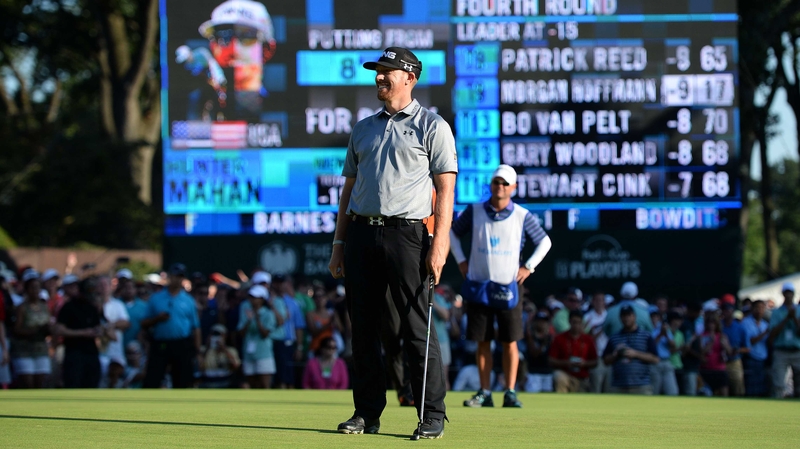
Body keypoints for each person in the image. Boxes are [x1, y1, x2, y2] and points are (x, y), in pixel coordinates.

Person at [328, 47, 457, 439]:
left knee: (418, 329)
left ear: (410, 78)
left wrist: (440, 242)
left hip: (409, 235)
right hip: (362, 234)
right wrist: (338, 243)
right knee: (364, 331)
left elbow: (446, 189)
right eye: (378, 71)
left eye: (388, 71)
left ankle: (431, 414)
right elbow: (348, 190)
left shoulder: (432, 126)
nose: (380, 77)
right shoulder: (363, 128)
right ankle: (366, 413)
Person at [450, 164, 552, 408]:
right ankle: (484, 391)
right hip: (479, 283)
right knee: (482, 340)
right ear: (491, 184)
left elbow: (544, 242)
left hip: (509, 285)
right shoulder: (474, 211)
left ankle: (510, 391)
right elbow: (452, 234)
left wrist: (528, 266)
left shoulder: (522, 215)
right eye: (497, 182)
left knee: (510, 340)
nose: (501, 187)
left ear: (513, 187)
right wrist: (461, 261)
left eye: (506, 183)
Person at [141, 263, 201, 389]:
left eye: (180, 277)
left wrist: (197, 350)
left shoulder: (188, 300)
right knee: (153, 379)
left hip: (181, 344)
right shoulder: (156, 298)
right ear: (169, 276)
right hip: (161, 344)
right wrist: (157, 319)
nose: (177, 280)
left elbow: (196, 327)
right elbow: (144, 322)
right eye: (175, 276)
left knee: (183, 381)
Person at [55, 277, 104, 388]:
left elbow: (98, 326)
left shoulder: (92, 308)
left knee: (92, 383)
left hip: (91, 352)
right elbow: (59, 330)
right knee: (74, 383)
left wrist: (98, 331)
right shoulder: (68, 307)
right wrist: (82, 333)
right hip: (74, 352)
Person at [602, 305, 659, 394]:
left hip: (641, 385)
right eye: (624, 316)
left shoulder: (646, 336)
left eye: (629, 315)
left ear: (634, 317)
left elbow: (655, 359)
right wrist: (615, 355)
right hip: (619, 385)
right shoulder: (614, 337)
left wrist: (636, 354)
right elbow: (605, 360)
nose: (626, 318)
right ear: (620, 318)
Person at [12, 269, 53, 388]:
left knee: (40, 381)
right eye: (32, 288)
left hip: (40, 348)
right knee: (27, 382)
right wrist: (33, 331)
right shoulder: (22, 308)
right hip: (24, 349)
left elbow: (49, 323)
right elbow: (17, 329)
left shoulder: (44, 306)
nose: (35, 291)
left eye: (37, 287)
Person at [548, 311, 598, 393]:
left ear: (582, 323)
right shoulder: (560, 338)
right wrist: (566, 363)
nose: (576, 325)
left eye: (579, 323)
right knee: (559, 376)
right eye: (574, 322)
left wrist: (584, 363)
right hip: (565, 373)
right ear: (569, 322)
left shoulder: (588, 340)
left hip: (582, 376)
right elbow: (551, 360)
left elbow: (595, 361)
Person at [238, 285, 276, 389]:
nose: (252, 300)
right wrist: (249, 320)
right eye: (251, 297)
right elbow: (241, 333)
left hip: (264, 354)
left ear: (262, 299)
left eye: (255, 297)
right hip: (248, 353)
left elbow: (265, 334)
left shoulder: (268, 314)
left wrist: (257, 318)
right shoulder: (245, 312)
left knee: (264, 385)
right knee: (251, 384)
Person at [768, 282, 800, 398]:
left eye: (790, 293)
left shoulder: (799, 310)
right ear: (783, 294)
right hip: (781, 350)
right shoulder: (777, 312)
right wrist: (787, 318)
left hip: (797, 350)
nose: (788, 295)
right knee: (778, 384)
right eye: (786, 293)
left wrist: (794, 318)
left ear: (793, 294)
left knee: (799, 384)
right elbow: (773, 332)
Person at [98, 276, 130, 388]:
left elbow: (125, 322)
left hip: (115, 352)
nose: (103, 288)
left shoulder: (118, 305)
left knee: (114, 374)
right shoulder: (93, 305)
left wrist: (110, 326)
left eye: (105, 285)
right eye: (101, 285)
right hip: (98, 353)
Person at [741, 300, 769, 396]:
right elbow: (750, 341)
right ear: (752, 309)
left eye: (762, 308)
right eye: (757, 308)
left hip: (762, 359)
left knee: (761, 388)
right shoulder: (745, 323)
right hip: (751, 358)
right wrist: (765, 333)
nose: (759, 310)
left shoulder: (765, 324)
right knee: (751, 387)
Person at [699, 314, 731, 396]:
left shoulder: (722, 336)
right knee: (707, 393)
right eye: (709, 323)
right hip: (706, 369)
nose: (711, 325)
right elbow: (701, 352)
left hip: (720, 369)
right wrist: (711, 342)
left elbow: (729, 352)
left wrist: (724, 345)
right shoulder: (702, 336)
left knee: (724, 393)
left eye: (713, 323)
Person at [583, 291, 609, 393]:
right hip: (596, 357)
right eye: (597, 300)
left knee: (608, 389)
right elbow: (586, 339)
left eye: (602, 300)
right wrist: (601, 329)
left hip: (608, 357)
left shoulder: (609, 315)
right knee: (596, 389)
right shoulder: (587, 317)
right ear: (593, 302)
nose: (599, 302)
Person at [200, 323, 240, 388]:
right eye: (214, 335)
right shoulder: (204, 350)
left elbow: (236, 367)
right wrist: (208, 347)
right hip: (208, 381)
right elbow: (200, 368)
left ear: (225, 336)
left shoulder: (231, 350)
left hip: (226, 380)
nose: (217, 337)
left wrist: (225, 350)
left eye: (219, 335)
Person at [649, 308, 678, 396]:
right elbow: (651, 346)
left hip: (666, 361)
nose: (654, 319)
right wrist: (661, 334)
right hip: (654, 362)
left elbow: (673, 345)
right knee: (654, 391)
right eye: (652, 317)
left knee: (672, 391)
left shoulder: (664, 329)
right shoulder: (648, 330)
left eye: (656, 317)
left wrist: (666, 334)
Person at [721, 303, 748, 396]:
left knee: (737, 387)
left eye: (729, 310)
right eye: (725, 310)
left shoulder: (740, 327)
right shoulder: (719, 326)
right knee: (721, 389)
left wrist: (738, 350)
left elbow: (747, 348)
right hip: (720, 361)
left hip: (734, 361)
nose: (727, 312)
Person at [524, 311, 554, 393]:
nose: (542, 324)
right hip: (534, 373)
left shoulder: (551, 338)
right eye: (539, 321)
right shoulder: (530, 337)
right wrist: (544, 342)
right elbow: (534, 353)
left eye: (544, 322)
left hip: (547, 372)